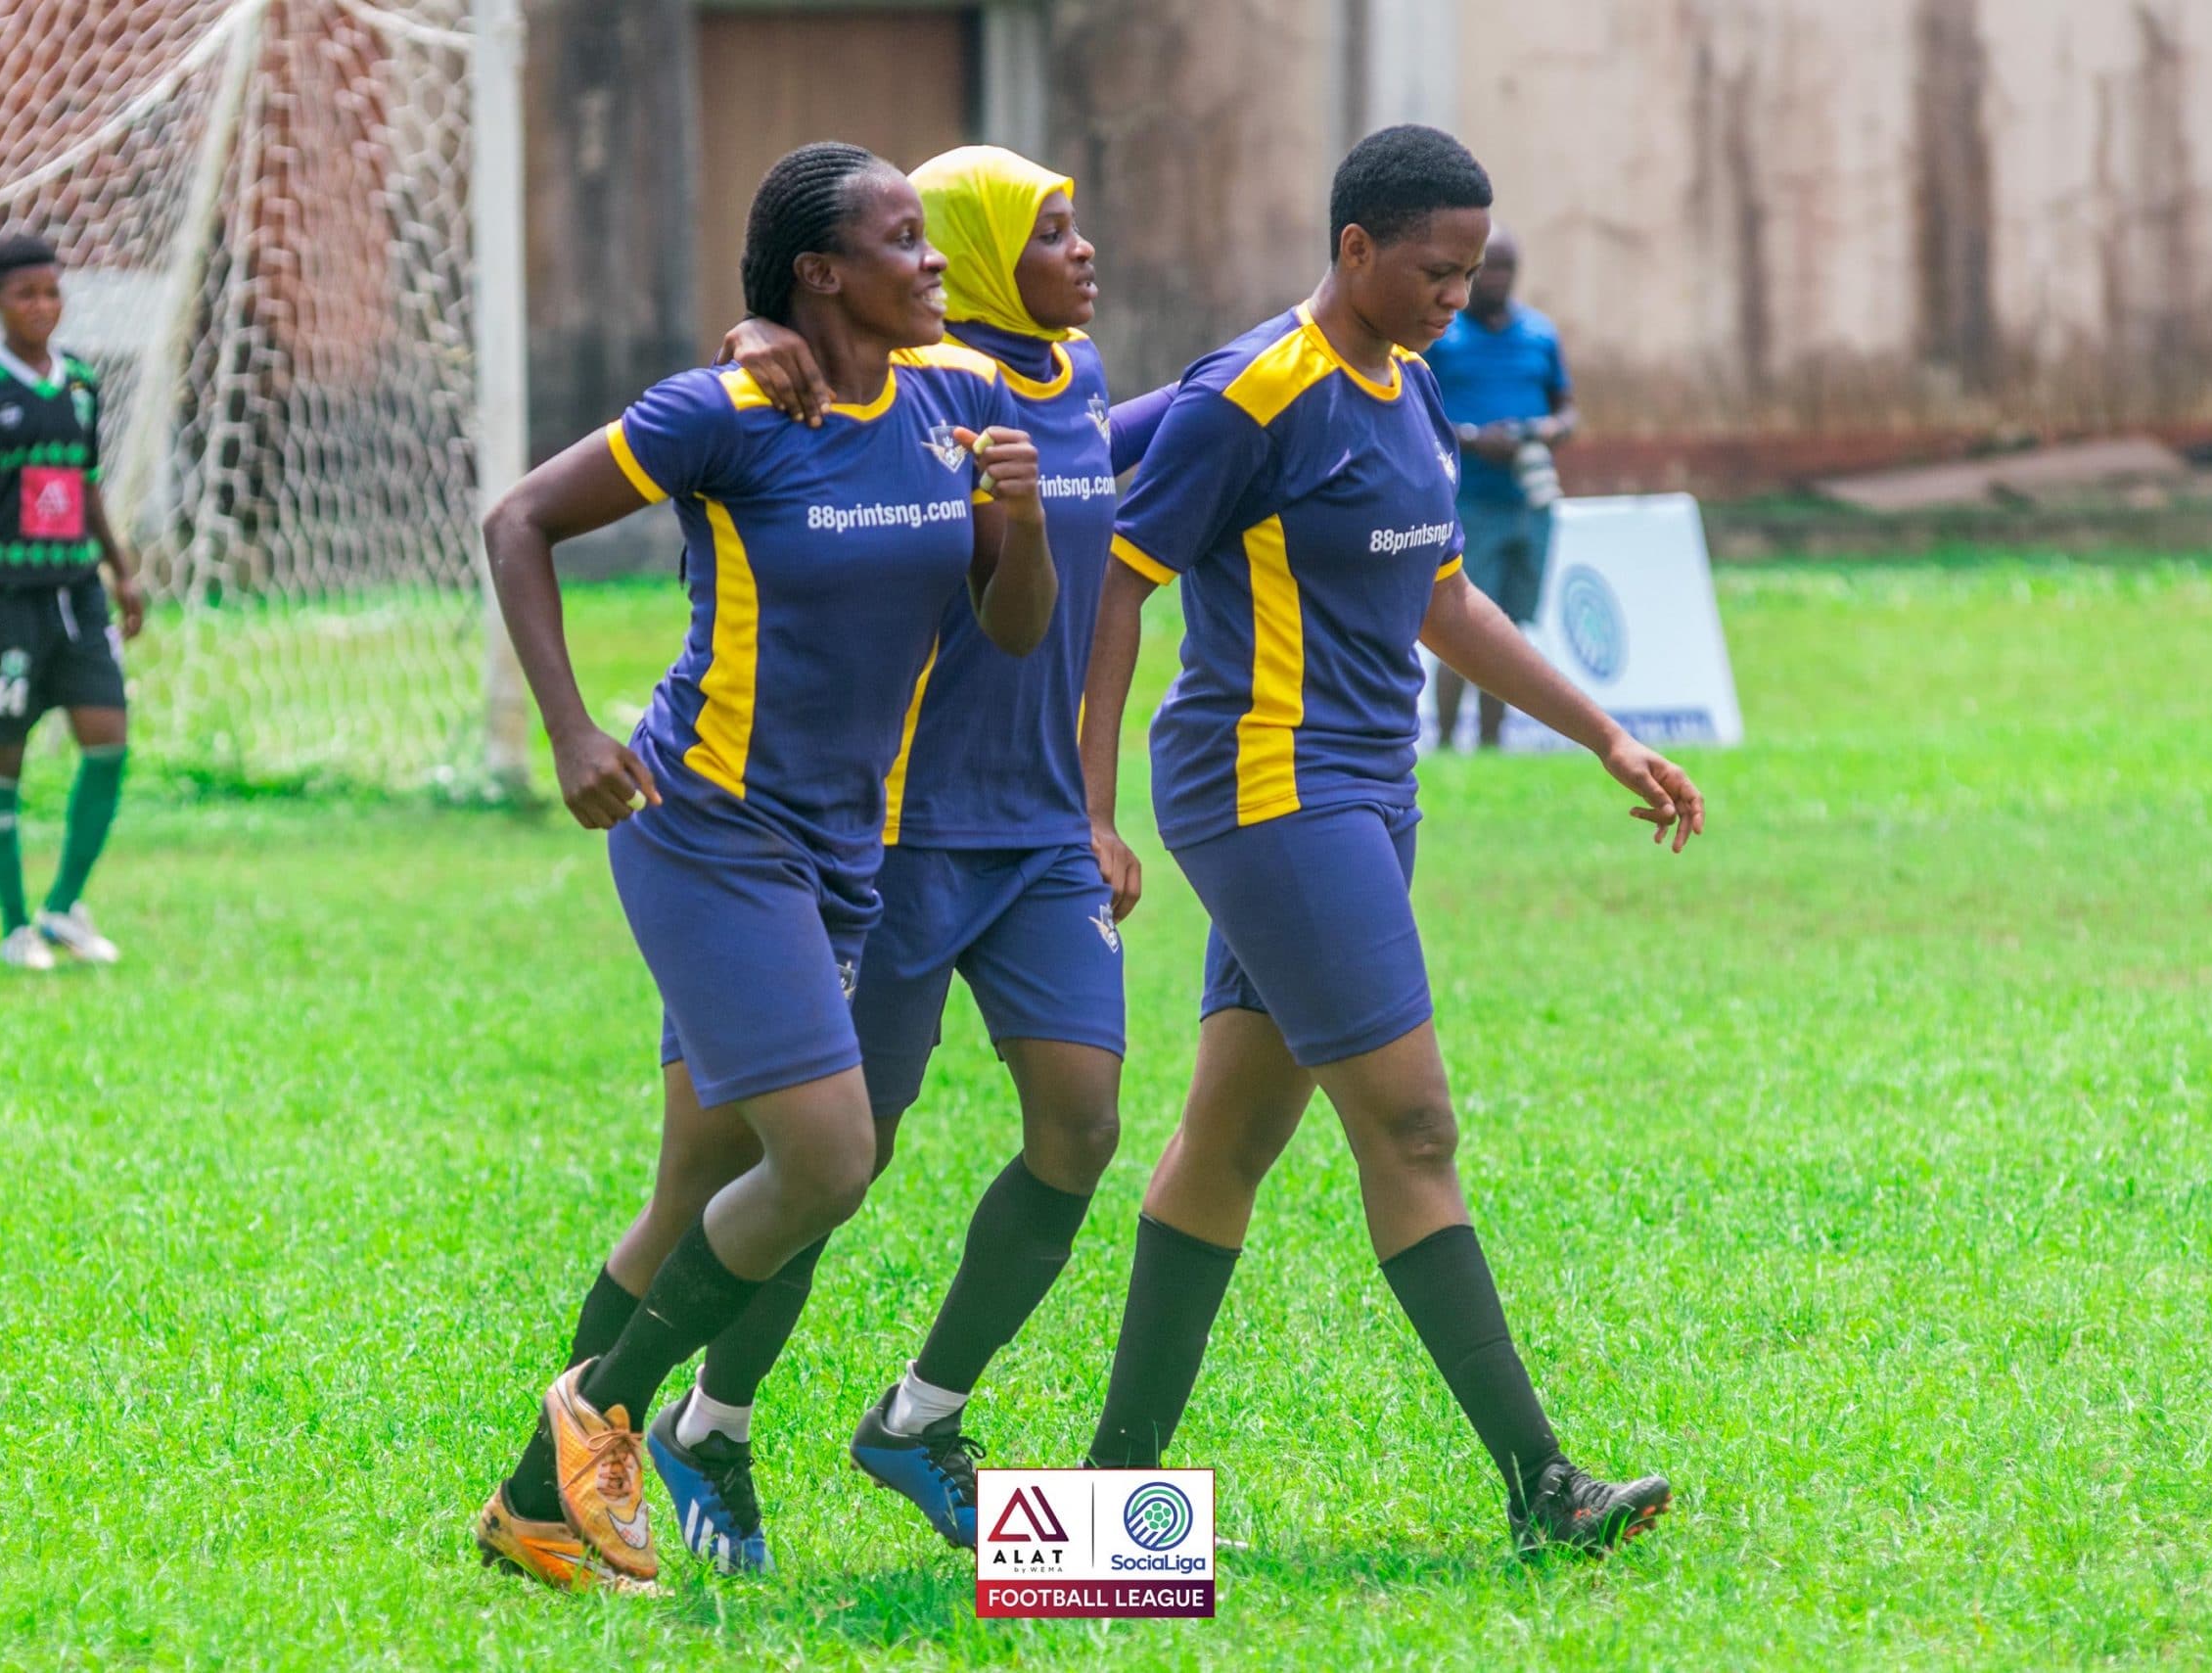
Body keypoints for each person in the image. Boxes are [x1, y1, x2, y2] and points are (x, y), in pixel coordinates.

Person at [1076, 125, 1704, 1557]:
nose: (1455, 296)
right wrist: (1090, 810)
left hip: (1366, 789)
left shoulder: (1414, 387)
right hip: (1267, 786)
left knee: (1228, 1139)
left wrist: (1603, 735)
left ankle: (1105, 1519)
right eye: (1435, 270)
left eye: (1470, 271)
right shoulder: (1253, 393)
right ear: (1354, 248)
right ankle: (1543, 1486)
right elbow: (1119, 580)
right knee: (1413, 1126)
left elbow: (1445, 600)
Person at [470, 141, 1056, 1593]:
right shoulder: (725, 410)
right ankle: (607, 1416)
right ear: (821, 273)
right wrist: (570, 730)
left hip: (841, 850)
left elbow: (1016, 628)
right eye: (903, 239)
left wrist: (1025, 518)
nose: (935, 259)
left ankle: (536, 1506)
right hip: (707, 828)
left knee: (698, 1185)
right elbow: (518, 519)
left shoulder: (959, 401)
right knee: (829, 1159)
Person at [633, 146, 1175, 1568]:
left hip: (1039, 831)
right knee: (830, 1161)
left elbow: (1123, 537)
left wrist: (1098, 806)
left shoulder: (1073, 380)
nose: (1083, 250)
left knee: (1082, 1126)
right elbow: (791, 390)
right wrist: (747, 337)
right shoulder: (919, 374)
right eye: (1049, 229)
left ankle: (918, 1416)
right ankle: (707, 1419)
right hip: (895, 830)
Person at [0, 232, 146, 969]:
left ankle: (63, 906)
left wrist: (121, 571)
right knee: (2, 755)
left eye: (51, 292)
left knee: (109, 738)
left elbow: (84, 485)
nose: (42, 306)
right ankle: (15, 925)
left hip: (74, 591)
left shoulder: (80, 382)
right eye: (25, 294)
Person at [1423, 222, 1574, 750]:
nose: (1498, 279)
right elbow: (1415, 413)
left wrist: (1547, 431)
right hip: (1467, 504)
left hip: (1528, 503)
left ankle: (1492, 742)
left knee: (1509, 630)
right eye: (1489, 268)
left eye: (1508, 268)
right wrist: (1471, 439)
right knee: (1460, 629)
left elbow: (1566, 410)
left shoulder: (1539, 335)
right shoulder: (1443, 337)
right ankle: (1445, 741)